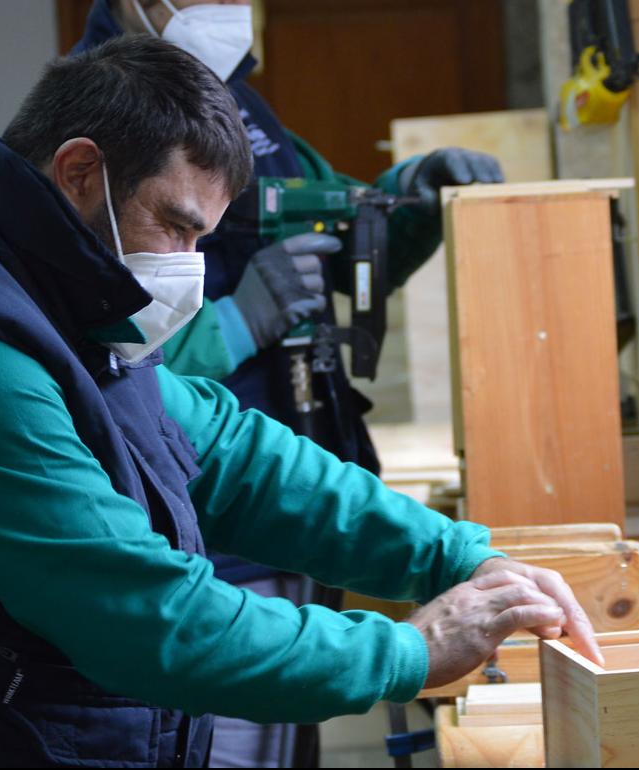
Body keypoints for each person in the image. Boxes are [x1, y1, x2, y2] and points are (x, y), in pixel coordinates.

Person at [0, 37, 601, 768]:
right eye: (175, 226)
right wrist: (410, 651)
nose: (189, 263)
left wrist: (452, 556)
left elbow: (225, 450)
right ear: (78, 172)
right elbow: (143, 616)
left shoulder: (53, 281)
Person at [73, 4, 505, 763]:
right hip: (199, 524)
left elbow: (337, 228)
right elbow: (85, 365)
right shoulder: (93, 117)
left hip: (286, 504)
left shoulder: (242, 106)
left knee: (285, 738)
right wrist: (237, 325)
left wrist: (411, 196)